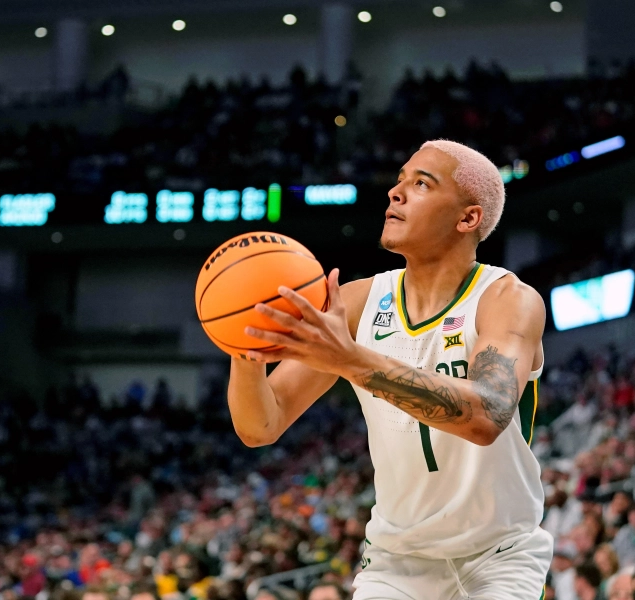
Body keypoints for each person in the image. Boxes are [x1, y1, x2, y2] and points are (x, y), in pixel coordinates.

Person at [229, 139, 550, 599]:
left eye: (421, 184)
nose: (395, 192)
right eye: (399, 180)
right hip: (396, 561)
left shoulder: (507, 299)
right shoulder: (358, 303)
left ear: (467, 219)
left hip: (498, 555)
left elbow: (487, 415)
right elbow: (260, 425)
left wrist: (351, 360)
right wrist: (244, 344)